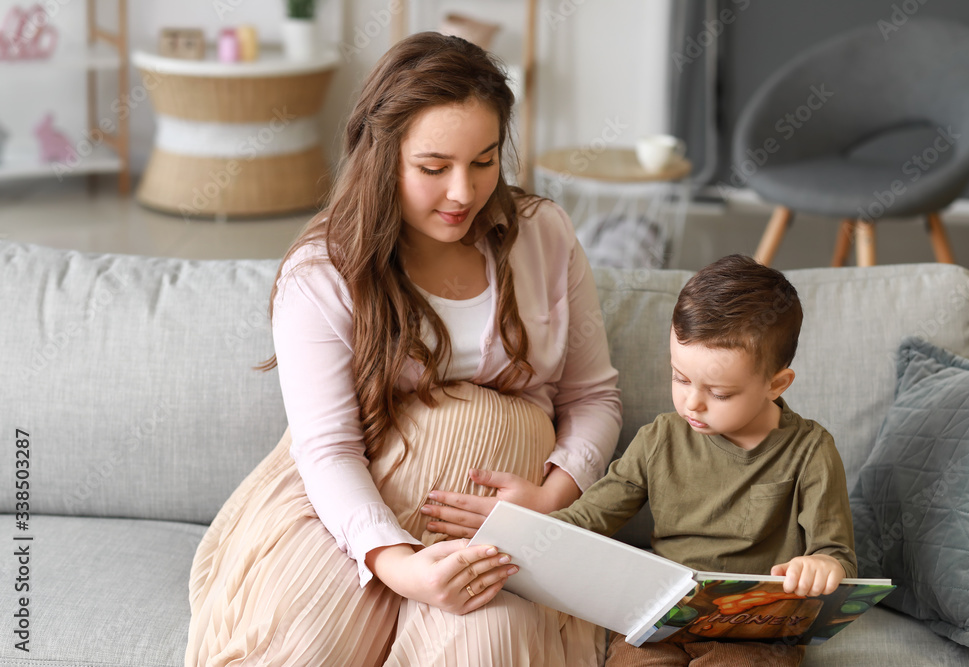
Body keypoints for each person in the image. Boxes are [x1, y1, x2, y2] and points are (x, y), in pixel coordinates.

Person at [184, 32, 623, 667]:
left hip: (497, 535)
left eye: (483, 161)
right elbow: (328, 448)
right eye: (433, 166)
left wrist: (551, 497)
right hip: (348, 521)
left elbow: (593, 395)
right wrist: (398, 565)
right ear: (382, 156)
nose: (462, 194)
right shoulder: (323, 273)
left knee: (489, 647)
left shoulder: (542, 235)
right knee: (305, 648)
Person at [550, 254, 857, 667]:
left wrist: (821, 566)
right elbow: (585, 520)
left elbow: (836, 555)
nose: (691, 403)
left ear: (776, 384)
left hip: (754, 634)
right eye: (679, 378)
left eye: (720, 393)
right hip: (659, 622)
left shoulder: (810, 450)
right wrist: (517, 540)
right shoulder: (659, 439)